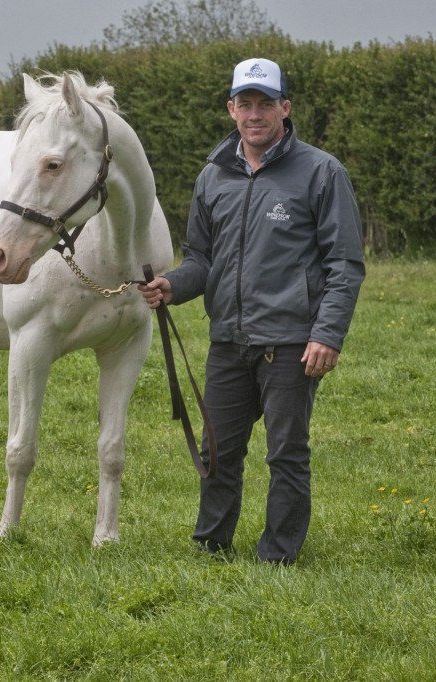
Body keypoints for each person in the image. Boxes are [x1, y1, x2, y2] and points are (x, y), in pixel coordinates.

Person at [140, 57, 365, 565]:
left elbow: (344, 265)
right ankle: (211, 547)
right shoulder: (212, 177)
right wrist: (171, 285)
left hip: (291, 343)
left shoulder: (322, 172)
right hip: (229, 341)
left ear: (286, 107)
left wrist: (326, 335)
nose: (255, 113)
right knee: (217, 454)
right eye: (246, 103)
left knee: (286, 455)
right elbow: (201, 259)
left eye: (266, 103)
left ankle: (278, 557)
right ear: (231, 109)